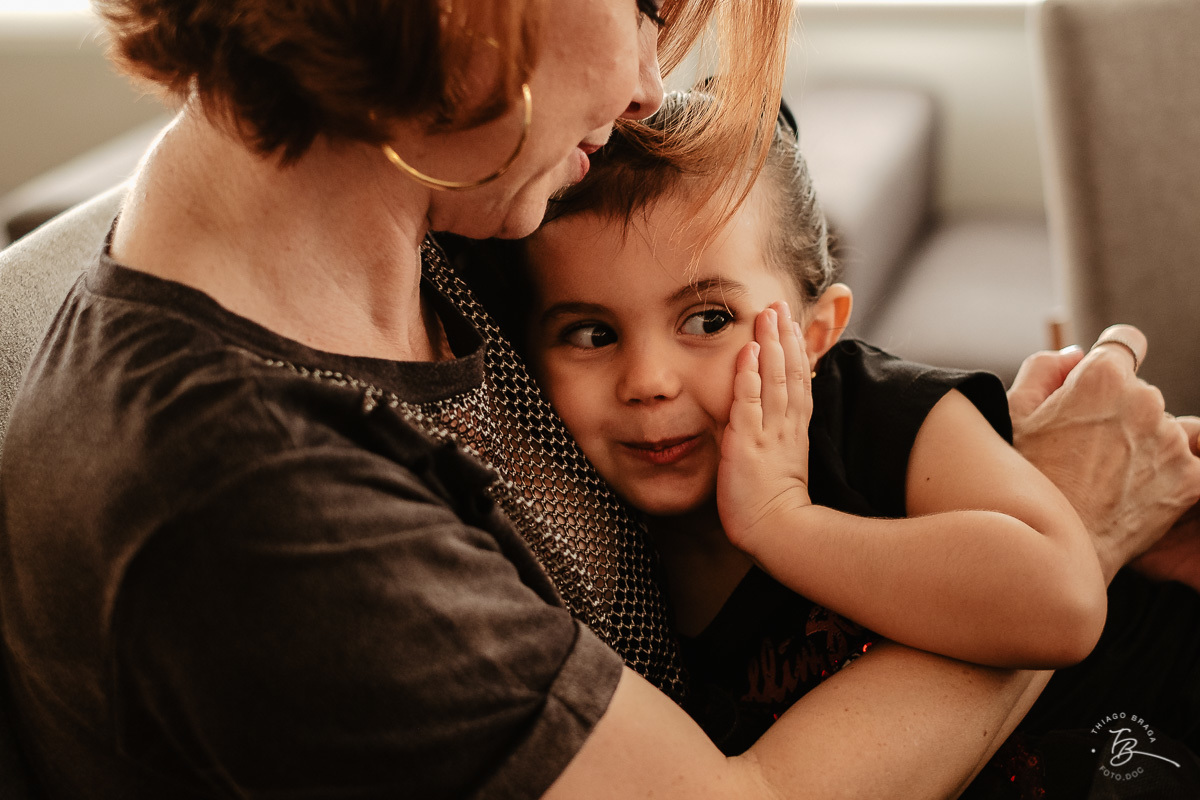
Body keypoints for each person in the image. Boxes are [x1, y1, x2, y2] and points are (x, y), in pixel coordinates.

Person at [0, 2, 1196, 799]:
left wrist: (975, 473)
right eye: (638, 3)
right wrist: (1074, 521)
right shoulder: (250, 509)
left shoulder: (438, 213)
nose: (644, 83)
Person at [517, 91, 1200, 783]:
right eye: (592, 334)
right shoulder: (584, 544)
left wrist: (782, 521)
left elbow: (1064, 603)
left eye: (708, 320)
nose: (649, 380)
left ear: (817, 334)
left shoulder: (880, 412)